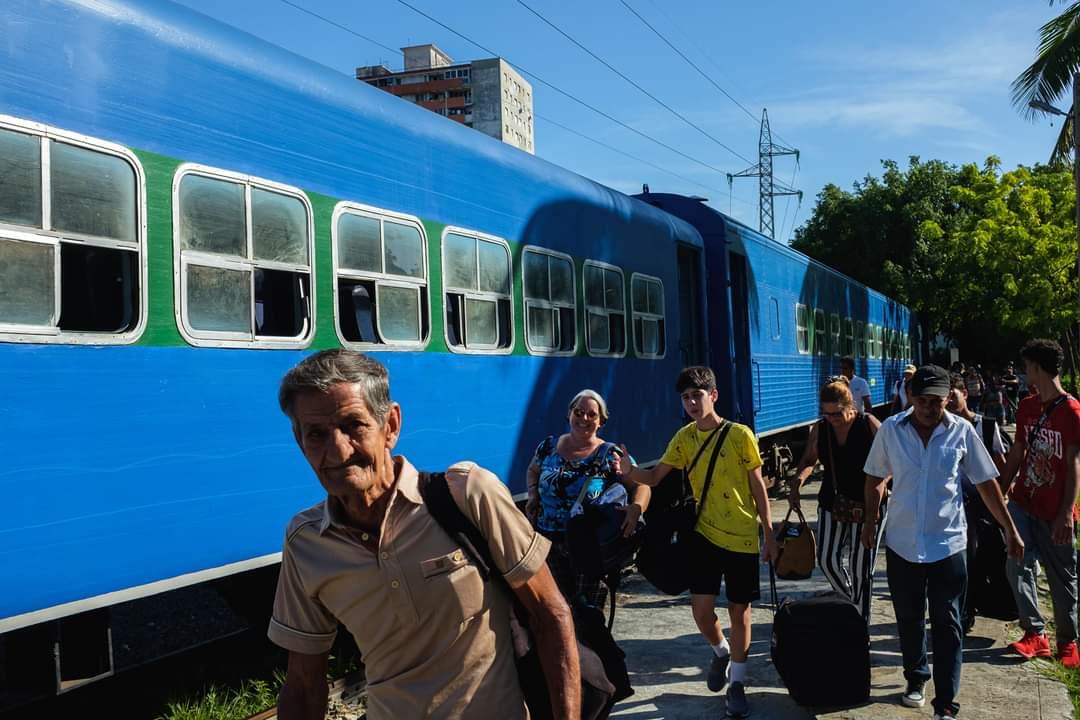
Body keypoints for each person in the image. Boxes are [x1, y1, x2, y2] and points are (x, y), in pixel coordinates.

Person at [268, 350, 581, 720]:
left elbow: (550, 613)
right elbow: (304, 683)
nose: (337, 451)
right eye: (316, 434)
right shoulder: (305, 542)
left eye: (354, 425)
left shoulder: (466, 495)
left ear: (391, 425)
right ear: (299, 440)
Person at [862, 364, 1023, 720]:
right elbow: (875, 476)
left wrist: (1010, 529)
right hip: (903, 543)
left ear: (947, 397)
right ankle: (916, 677)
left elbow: (986, 483)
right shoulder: (891, 429)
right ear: (910, 397)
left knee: (948, 621)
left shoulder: (962, 431)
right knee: (908, 618)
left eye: (936, 401)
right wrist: (871, 520)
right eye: (922, 401)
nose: (929, 408)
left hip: (949, 543)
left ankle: (946, 701)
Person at [619, 366, 778, 720]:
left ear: (713, 396)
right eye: (686, 397)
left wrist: (768, 533)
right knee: (701, 611)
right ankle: (720, 651)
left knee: (740, 611)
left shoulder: (740, 435)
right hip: (704, 535)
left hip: (741, 537)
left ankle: (736, 683)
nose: (692, 402)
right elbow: (655, 477)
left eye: (697, 395)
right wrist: (628, 472)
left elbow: (757, 486)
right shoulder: (684, 438)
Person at [525, 389, 651, 608]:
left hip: (589, 547)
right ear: (569, 414)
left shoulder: (610, 454)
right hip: (547, 545)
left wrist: (636, 508)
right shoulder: (547, 447)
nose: (584, 419)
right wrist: (533, 494)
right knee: (550, 611)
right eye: (579, 412)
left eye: (592, 415)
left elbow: (641, 484)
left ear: (601, 421)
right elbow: (533, 470)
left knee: (586, 617)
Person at [1000, 339, 1080, 668]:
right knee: (1016, 564)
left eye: (1027, 367)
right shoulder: (1027, 407)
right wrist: (999, 492)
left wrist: (1065, 514)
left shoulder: (1072, 411)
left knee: (1062, 576)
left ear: (1037, 368)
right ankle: (1035, 633)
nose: (1023, 373)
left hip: (1054, 509)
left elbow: (1074, 464)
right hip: (1023, 501)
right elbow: (1018, 451)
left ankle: (1068, 640)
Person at [789, 377, 884, 613]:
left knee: (860, 566)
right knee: (827, 561)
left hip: (868, 503)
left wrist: (882, 488)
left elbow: (891, 462)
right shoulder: (821, 429)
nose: (833, 420)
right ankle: (853, 603)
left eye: (837, 414)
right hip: (833, 501)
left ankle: (860, 625)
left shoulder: (869, 425)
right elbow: (810, 459)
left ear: (851, 406)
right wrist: (798, 481)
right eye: (827, 414)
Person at [946, 373, 1009, 634]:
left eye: (953, 395)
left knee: (977, 560)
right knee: (959, 562)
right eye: (945, 396)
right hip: (952, 507)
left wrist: (1000, 500)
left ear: (965, 394)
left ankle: (970, 608)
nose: (949, 401)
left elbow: (1002, 468)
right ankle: (963, 611)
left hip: (979, 506)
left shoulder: (985, 425)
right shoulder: (941, 428)